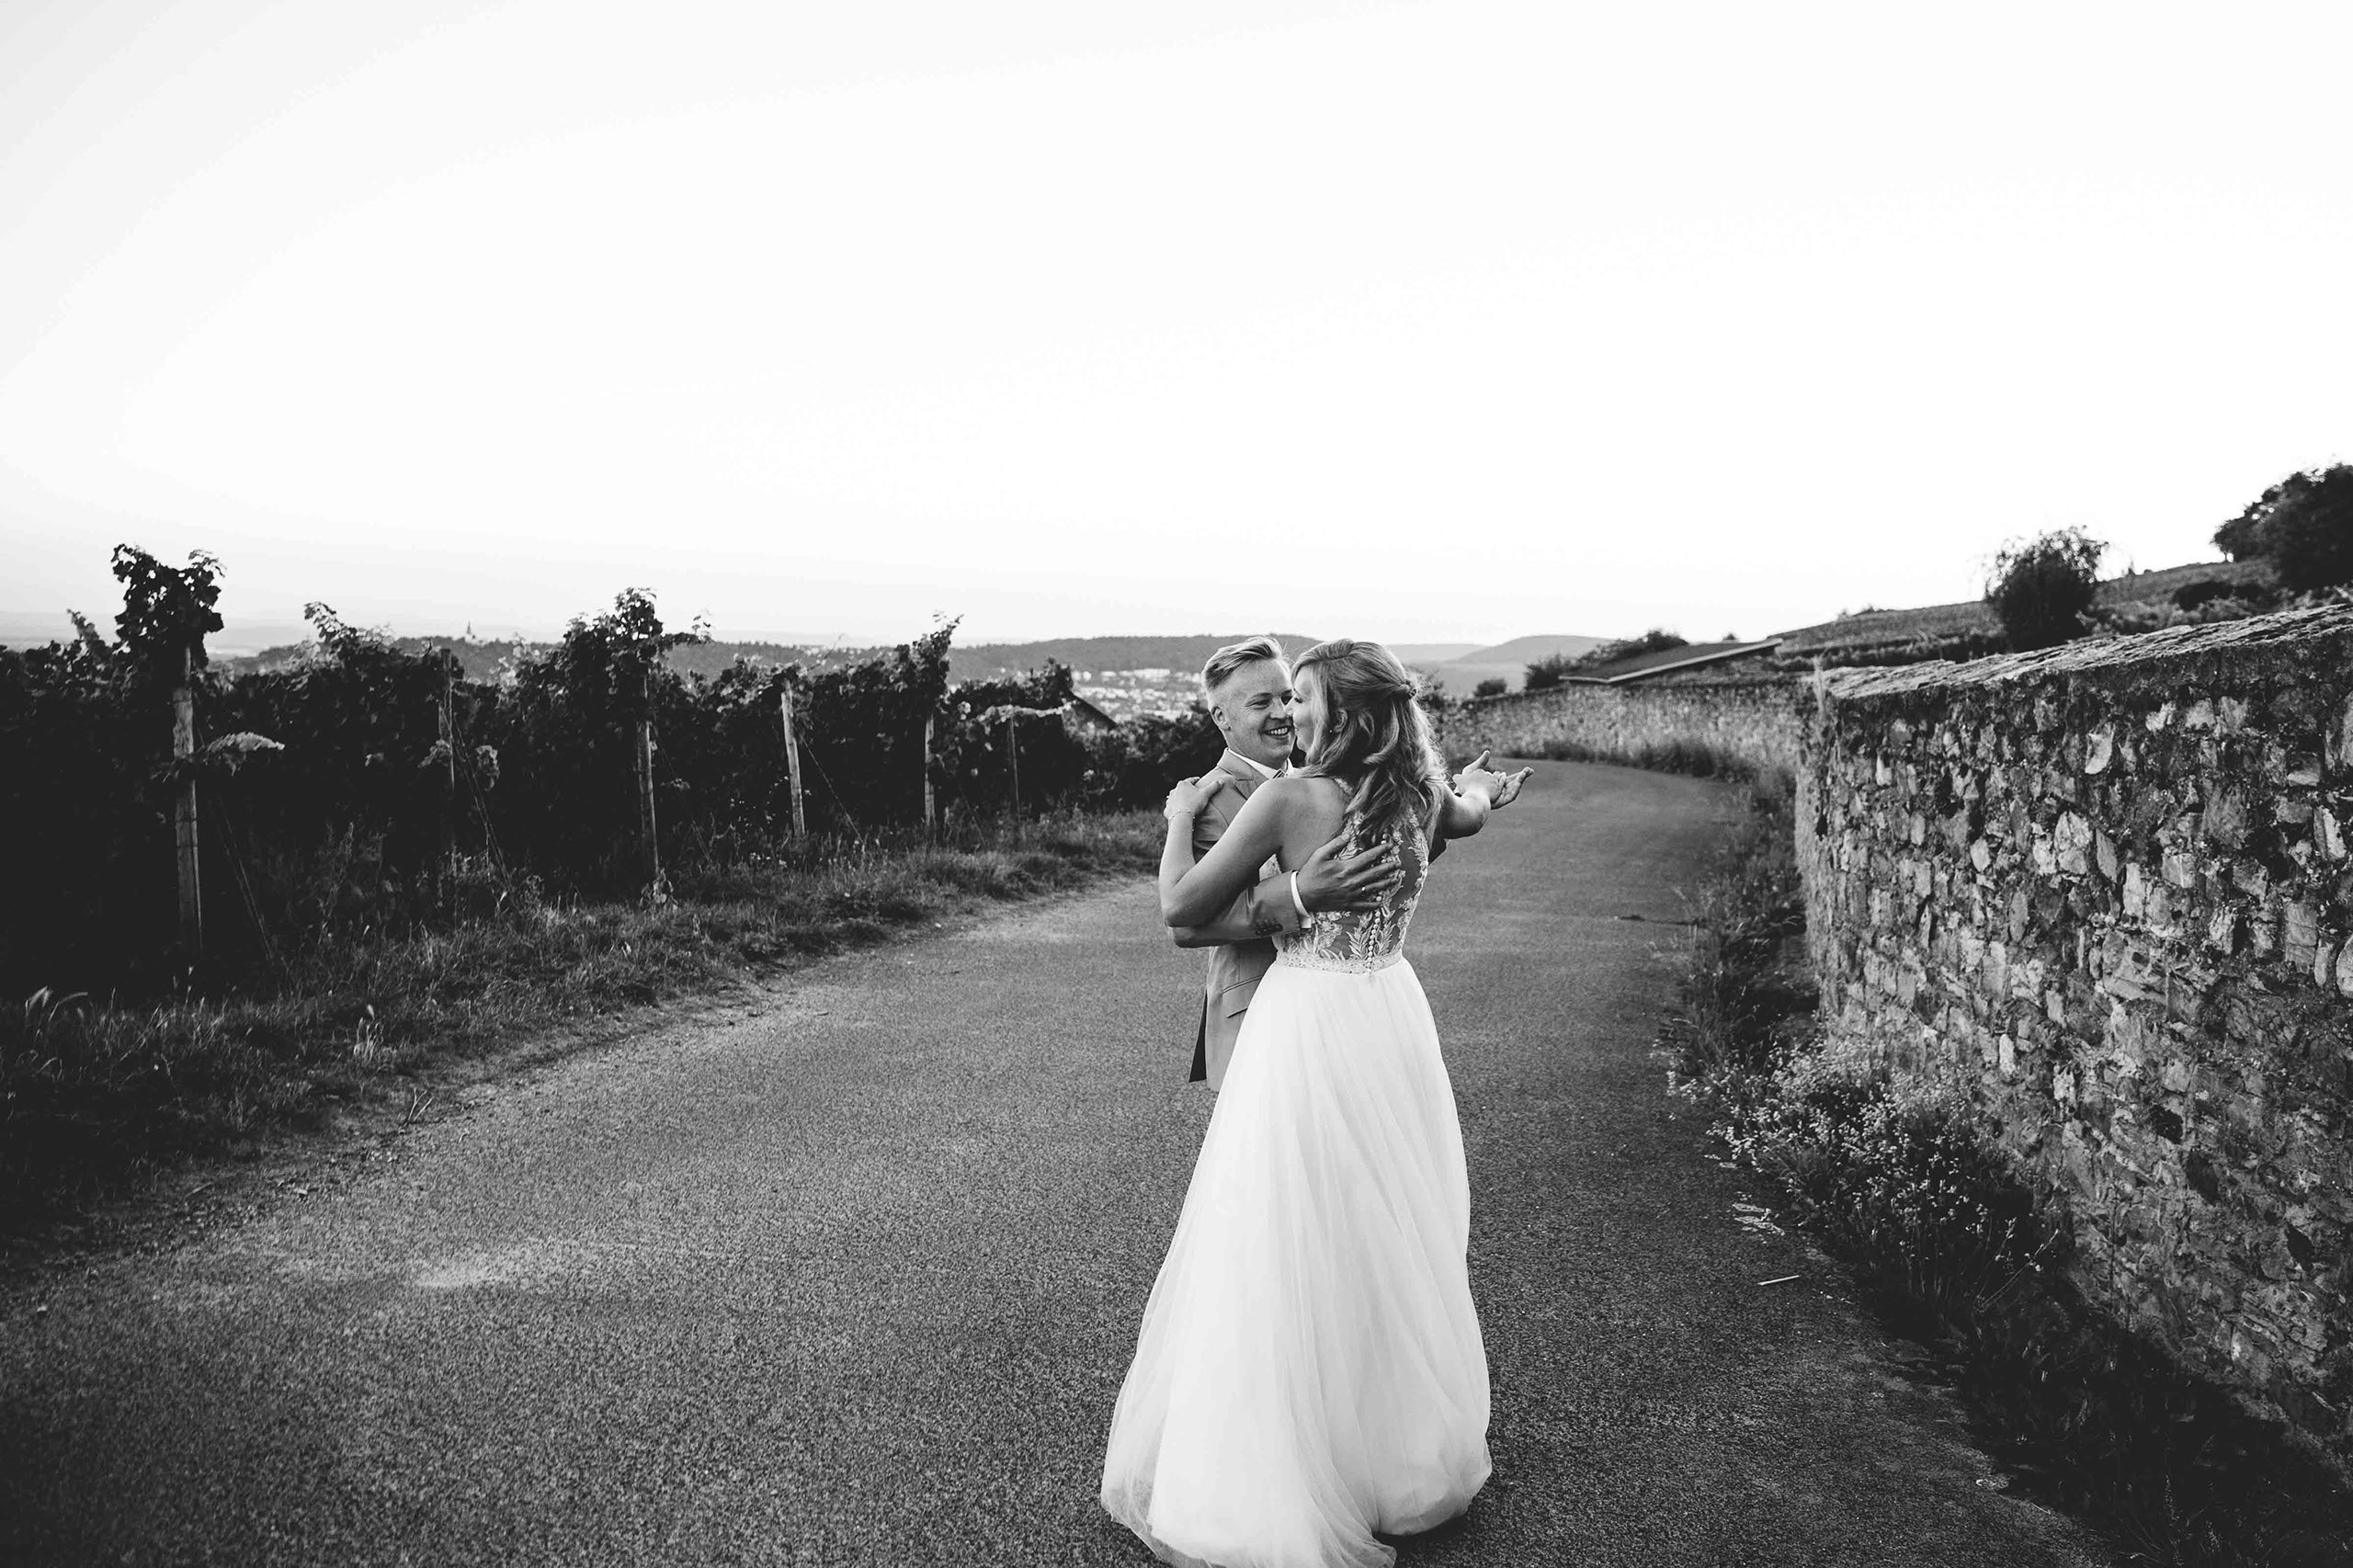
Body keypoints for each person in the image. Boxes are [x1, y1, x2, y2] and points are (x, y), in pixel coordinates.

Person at [1101, 638, 1533, 1568]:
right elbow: (1470, 813)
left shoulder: (1290, 798)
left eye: (1298, 697)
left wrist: (1182, 821)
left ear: (1339, 711)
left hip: (1305, 1024)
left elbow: (1179, 909)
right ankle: (1392, 1457)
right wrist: (1485, 792)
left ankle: (1278, 1467)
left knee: (1279, 1235)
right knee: (1385, 1230)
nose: (1289, 713)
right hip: (1388, 1016)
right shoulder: (1420, 798)